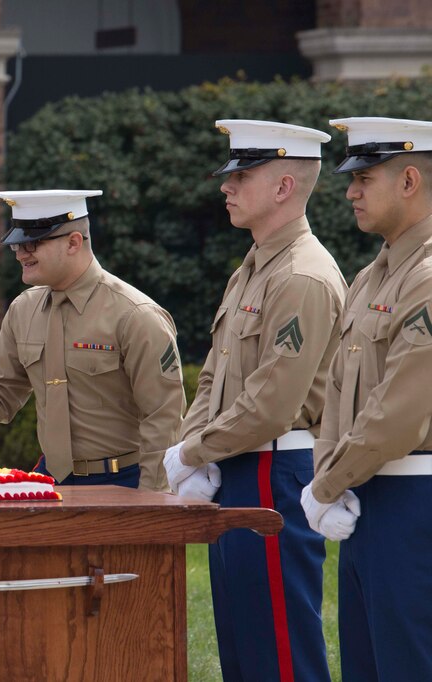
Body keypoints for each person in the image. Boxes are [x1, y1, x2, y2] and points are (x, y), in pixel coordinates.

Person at [166, 120, 346, 682]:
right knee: (244, 645)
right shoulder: (252, 270)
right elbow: (212, 379)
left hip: (274, 470)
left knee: (280, 650)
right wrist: (195, 449)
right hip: (240, 465)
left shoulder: (302, 277)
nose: (226, 185)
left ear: (284, 187)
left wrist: (194, 454)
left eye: (241, 174)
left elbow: (271, 402)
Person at [0, 189, 185, 490]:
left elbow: (163, 418)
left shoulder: (135, 315)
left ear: (73, 242)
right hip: (50, 481)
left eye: (30, 243)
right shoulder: (23, 309)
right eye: (15, 244)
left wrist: (152, 500)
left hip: (124, 481)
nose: (19, 253)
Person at [305, 116, 432, 680]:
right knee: (366, 664)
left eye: (365, 177)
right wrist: (328, 476)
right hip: (365, 500)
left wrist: (327, 484)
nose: (351, 190)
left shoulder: (427, 277)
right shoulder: (371, 276)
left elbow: (400, 410)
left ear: (410, 180)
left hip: (413, 502)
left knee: (407, 663)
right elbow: (338, 388)